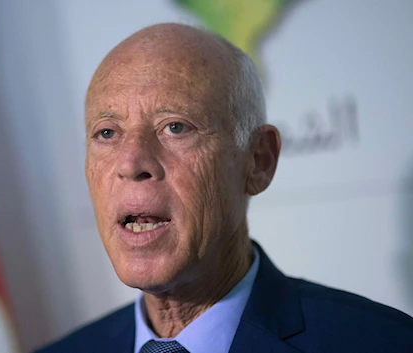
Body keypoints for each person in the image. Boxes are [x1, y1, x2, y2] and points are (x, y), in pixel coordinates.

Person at [36, 23, 413, 353]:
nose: (132, 163)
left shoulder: (384, 342)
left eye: (176, 127)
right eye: (107, 133)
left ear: (258, 161)